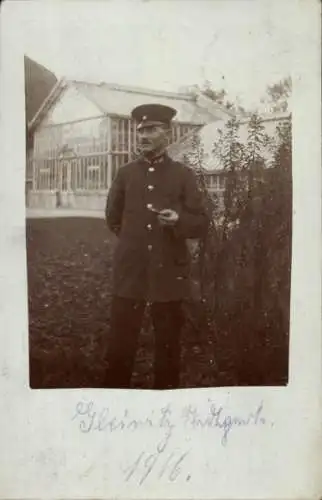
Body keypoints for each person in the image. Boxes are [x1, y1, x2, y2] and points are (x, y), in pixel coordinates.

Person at [105, 103, 208, 390]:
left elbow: (200, 223)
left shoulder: (183, 175)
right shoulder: (125, 174)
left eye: (151, 129)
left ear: (168, 133)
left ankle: (166, 404)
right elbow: (112, 219)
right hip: (131, 272)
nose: (143, 136)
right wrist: (135, 243)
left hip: (168, 273)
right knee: (120, 347)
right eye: (140, 130)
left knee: (168, 348)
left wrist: (178, 221)